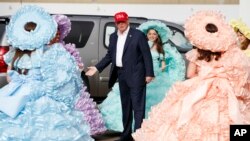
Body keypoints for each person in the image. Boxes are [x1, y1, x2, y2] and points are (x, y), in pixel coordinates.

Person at [132, 10, 250, 141]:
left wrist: (202, 79)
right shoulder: (225, 52)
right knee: (232, 116)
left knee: (187, 116)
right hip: (224, 89)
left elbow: (190, 74)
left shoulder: (196, 53)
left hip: (200, 86)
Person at [0, 5, 94, 140]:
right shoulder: (48, 54)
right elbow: (56, 82)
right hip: (43, 101)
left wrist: (21, 85)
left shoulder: (15, 55)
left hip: (16, 97)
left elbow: (10, 77)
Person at [98, 20, 186, 132]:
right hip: (138, 76)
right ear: (146, 35)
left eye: (154, 34)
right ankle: (129, 128)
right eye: (149, 34)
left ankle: (146, 128)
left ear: (158, 36)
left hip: (156, 78)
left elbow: (163, 62)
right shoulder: (140, 43)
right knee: (130, 103)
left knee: (152, 103)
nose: (152, 36)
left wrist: (163, 66)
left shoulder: (162, 48)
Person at [86, 11, 154, 141]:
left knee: (138, 107)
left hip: (136, 75)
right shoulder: (113, 37)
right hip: (121, 75)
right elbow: (110, 56)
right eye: (118, 22)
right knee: (126, 106)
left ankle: (138, 134)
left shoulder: (138, 35)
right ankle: (126, 133)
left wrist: (149, 73)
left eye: (123, 21)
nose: (121, 24)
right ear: (116, 23)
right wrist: (97, 68)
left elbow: (146, 55)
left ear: (127, 21)